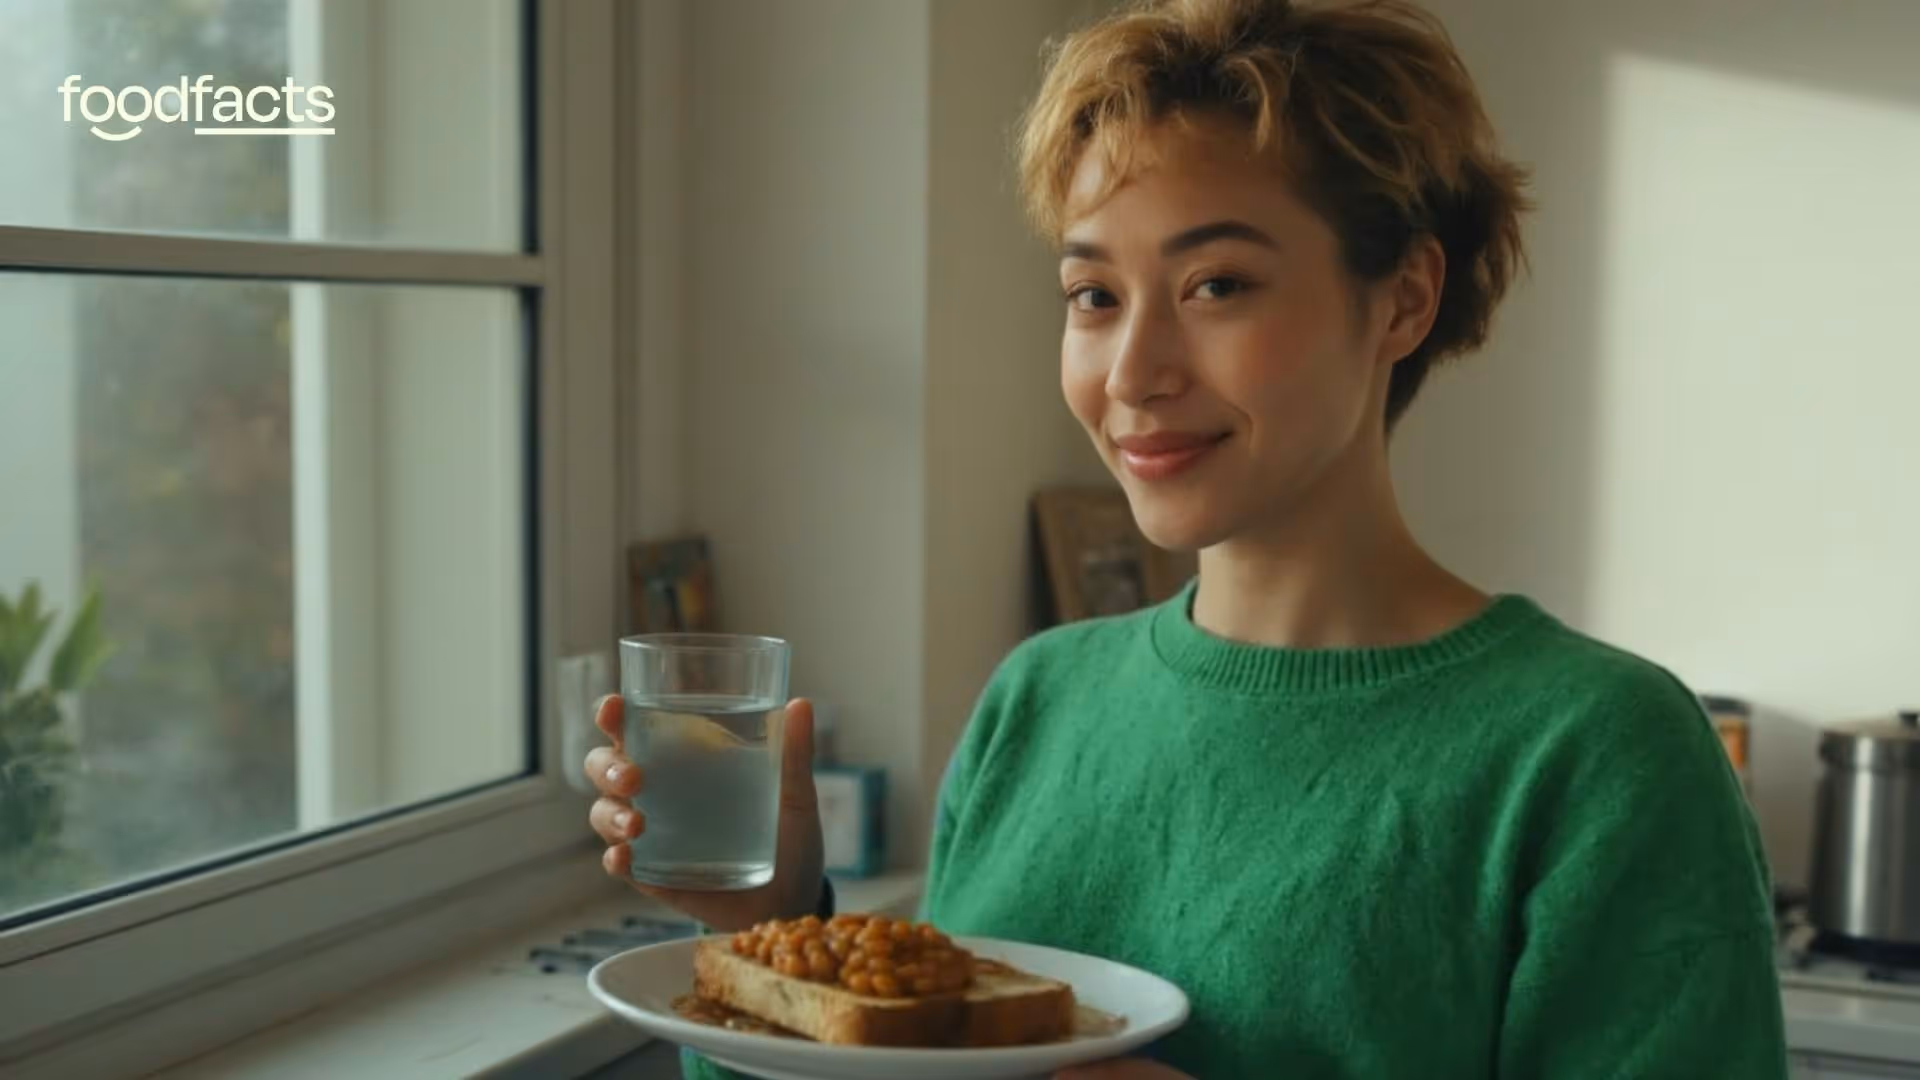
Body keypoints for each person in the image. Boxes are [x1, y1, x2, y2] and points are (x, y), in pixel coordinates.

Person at [586, 0, 1790, 1075]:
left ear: (1405, 299)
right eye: (1094, 296)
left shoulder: (1599, 756)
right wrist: (767, 928)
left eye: (1216, 285)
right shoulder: (1033, 704)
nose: (1133, 372)